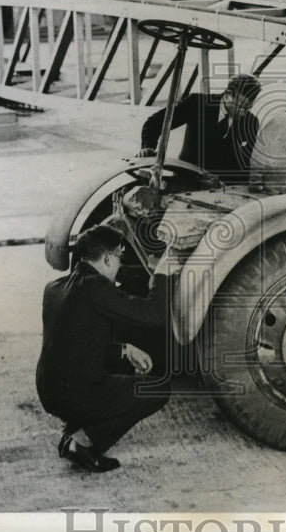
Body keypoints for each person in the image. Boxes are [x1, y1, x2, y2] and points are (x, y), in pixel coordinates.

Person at [36, 225, 169, 472]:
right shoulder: (96, 288)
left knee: (122, 363)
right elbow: (154, 315)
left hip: (49, 390)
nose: (120, 264)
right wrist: (162, 274)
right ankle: (84, 443)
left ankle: (73, 427)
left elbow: (76, 346)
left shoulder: (55, 287)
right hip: (73, 393)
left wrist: (125, 350)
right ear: (107, 258)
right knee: (157, 389)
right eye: (119, 256)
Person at [139, 73, 262, 184]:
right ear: (227, 94)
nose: (242, 113)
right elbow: (154, 123)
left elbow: (243, 166)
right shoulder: (196, 104)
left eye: (247, 108)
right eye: (239, 106)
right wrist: (148, 147)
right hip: (186, 181)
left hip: (221, 190)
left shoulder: (251, 123)